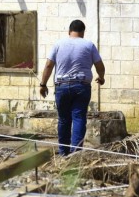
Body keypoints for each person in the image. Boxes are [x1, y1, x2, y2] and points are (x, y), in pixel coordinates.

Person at [39, 20, 105, 156]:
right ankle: (76, 154)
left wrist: (43, 84)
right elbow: (100, 65)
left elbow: (49, 65)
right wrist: (101, 77)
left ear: (69, 31)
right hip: (81, 86)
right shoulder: (89, 45)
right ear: (83, 32)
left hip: (62, 86)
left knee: (64, 119)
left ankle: (63, 152)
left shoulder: (58, 44)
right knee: (79, 118)